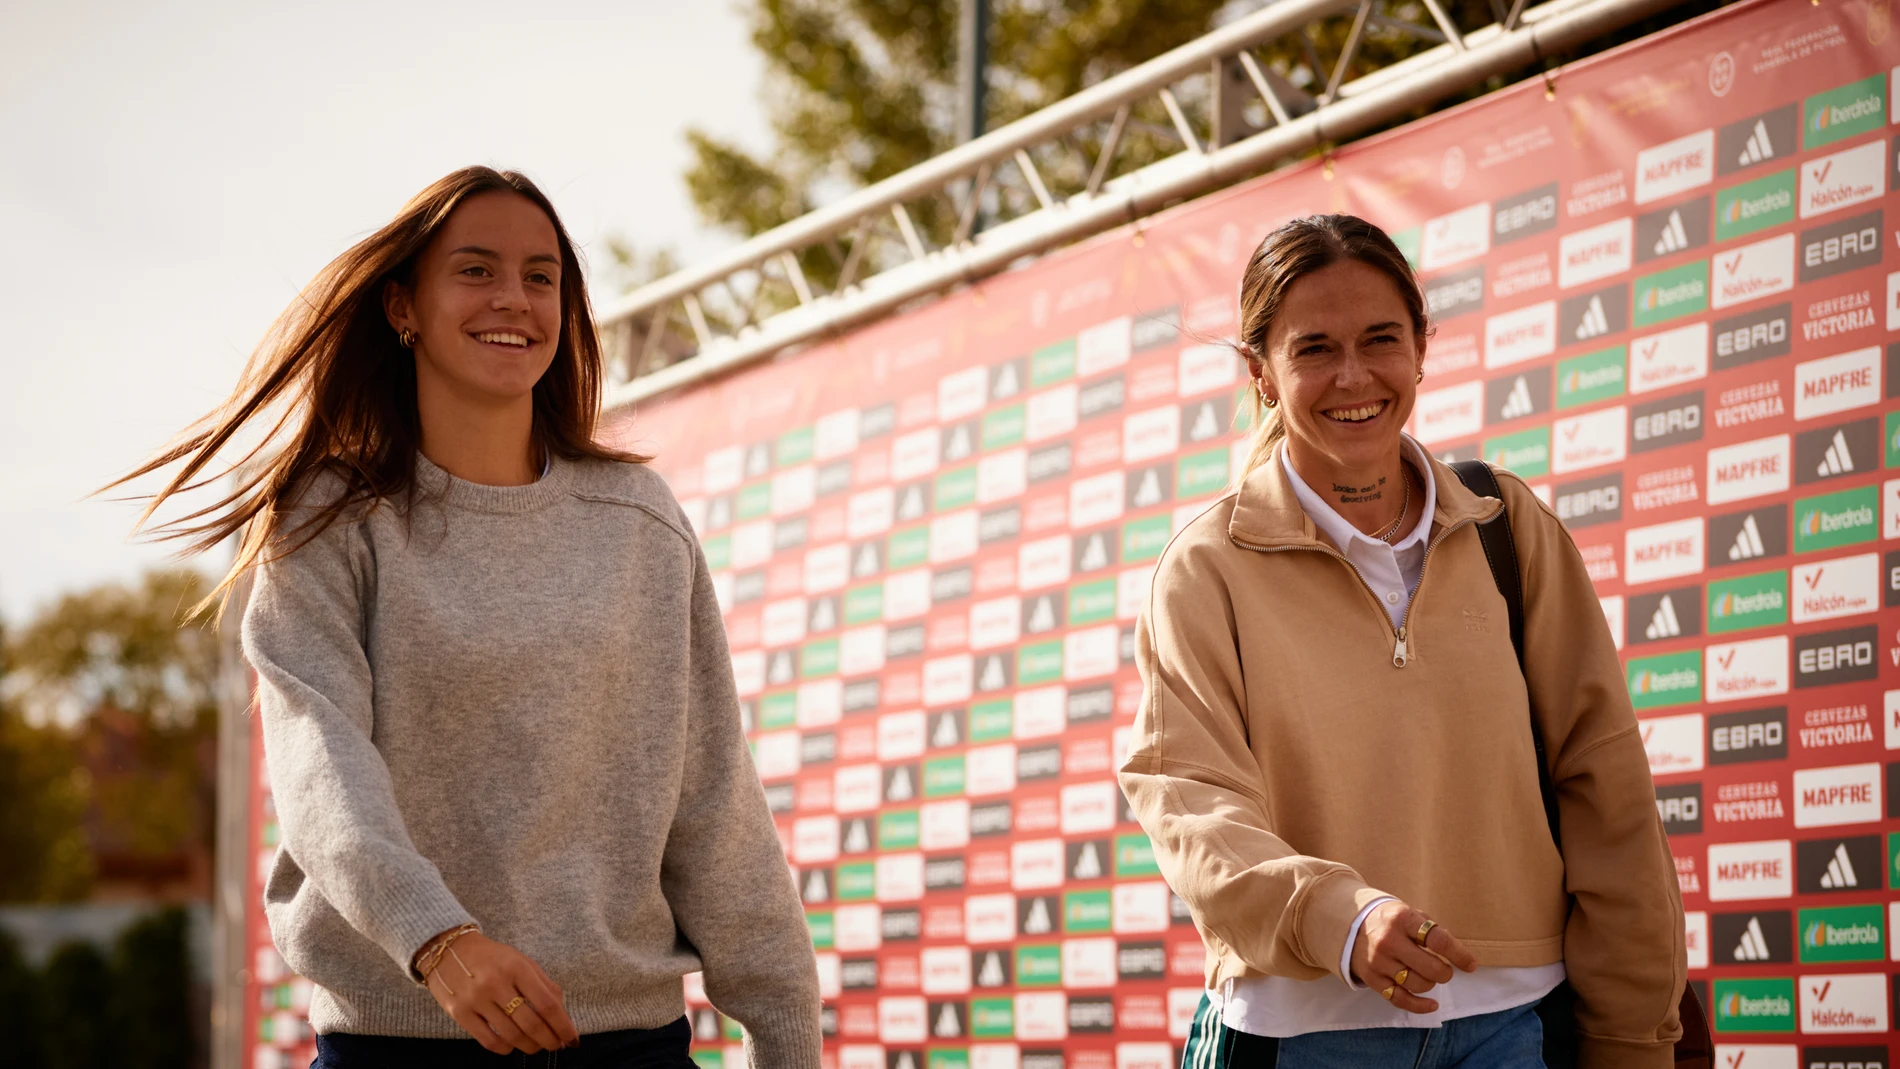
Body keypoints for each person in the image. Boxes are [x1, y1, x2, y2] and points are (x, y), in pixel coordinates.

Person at [113, 167, 821, 1068]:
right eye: (477, 270)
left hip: (628, 1045)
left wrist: (787, 1031)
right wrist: (438, 942)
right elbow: (321, 768)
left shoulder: (641, 521)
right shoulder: (330, 518)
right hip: (397, 1043)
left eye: (540, 277)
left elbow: (713, 794)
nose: (513, 300)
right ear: (403, 305)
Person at [1117, 214, 1685, 1068]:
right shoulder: (1204, 570)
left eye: (1381, 338)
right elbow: (1192, 807)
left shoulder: (1510, 529)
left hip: (1519, 1027)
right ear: (1261, 375)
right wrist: (1340, 917)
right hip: (1300, 1036)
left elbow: (1606, 790)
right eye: (1313, 349)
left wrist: (1634, 1034)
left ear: (1422, 345)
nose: (1354, 376)